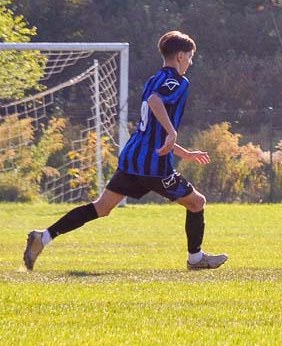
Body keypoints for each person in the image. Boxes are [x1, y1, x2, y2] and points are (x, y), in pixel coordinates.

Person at [24, 31, 228, 271]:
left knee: (102, 208)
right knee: (197, 203)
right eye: (191, 57)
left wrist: (184, 152)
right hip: (153, 164)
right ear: (181, 56)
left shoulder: (154, 78)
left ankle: (43, 237)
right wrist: (173, 134)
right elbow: (155, 101)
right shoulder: (177, 81)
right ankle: (196, 259)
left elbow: (152, 124)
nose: (191, 62)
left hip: (134, 156)